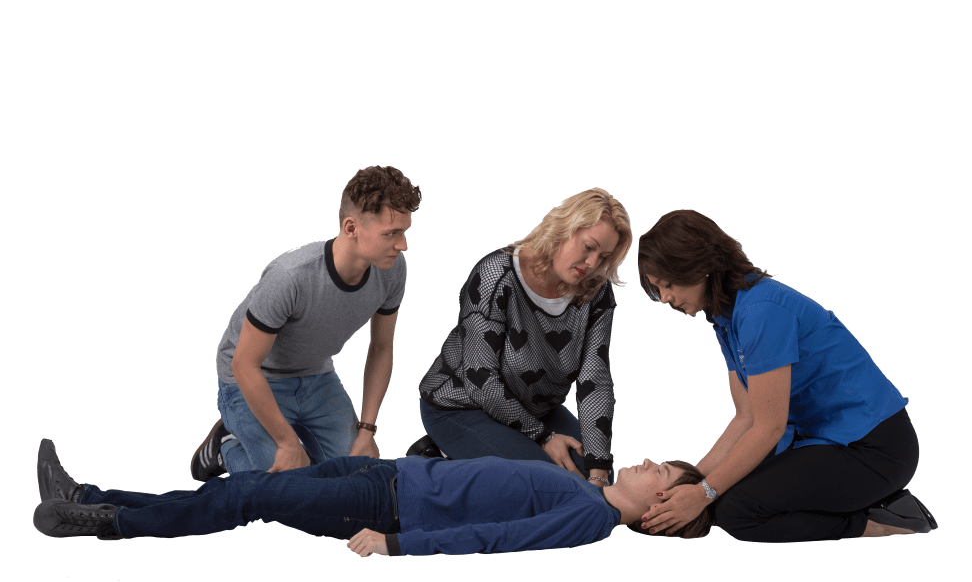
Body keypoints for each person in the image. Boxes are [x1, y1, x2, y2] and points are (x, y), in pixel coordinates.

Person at [635, 210, 937, 542]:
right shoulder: (725, 316)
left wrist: (704, 492)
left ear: (700, 266)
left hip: (874, 449)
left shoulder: (760, 312)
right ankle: (870, 504)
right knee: (725, 492)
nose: (665, 298)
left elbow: (769, 427)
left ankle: (880, 522)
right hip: (826, 442)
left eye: (668, 284)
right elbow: (745, 418)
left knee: (735, 510)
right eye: (657, 288)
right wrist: (693, 485)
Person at [34, 438, 712, 554]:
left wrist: (397, 544)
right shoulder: (585, 492)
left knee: (244, 500)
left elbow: (494, 539)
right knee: (243, 486)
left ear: (659, 509)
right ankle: (89, 495)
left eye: (664, 472)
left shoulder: (589, 522)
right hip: (385, 476)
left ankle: (103, 524)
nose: (650, 462)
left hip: (385, 511)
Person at [190, 166, 421, 481]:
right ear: (351, 227)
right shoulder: (290, 276)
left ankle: (273, 443)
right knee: (289, 486)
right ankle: (225, 447)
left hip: (315, 375)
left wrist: (366, 430)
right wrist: (286, 442)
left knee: (359, 477)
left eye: (404, 231)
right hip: (251, 378)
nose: (403, 244)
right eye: (391, 233)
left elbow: (381, 347)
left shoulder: (393, 269)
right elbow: (245, 364)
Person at [417, 188, 632, 487]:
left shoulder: (596, 291)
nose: (593, 263)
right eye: (588, 247)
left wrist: (598, 471)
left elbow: (594, 377)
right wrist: (544, 438)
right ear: (563, 229)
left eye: (604, 256)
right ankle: (439, 457)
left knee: (589, 473)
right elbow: (480, 378)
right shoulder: (496, 275)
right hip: (462, 403)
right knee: (547, 486)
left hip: (536, 408)